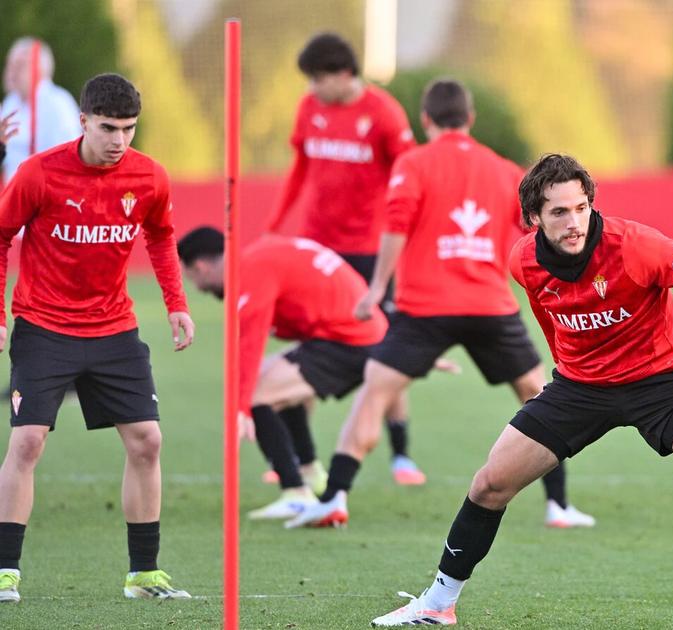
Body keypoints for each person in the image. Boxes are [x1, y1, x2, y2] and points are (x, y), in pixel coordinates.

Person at [367, 153, 673, 626]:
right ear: (534, 218)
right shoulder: (522, 261)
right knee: (489, 484)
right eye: (559, 212)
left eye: (581, 208)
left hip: (661, 380)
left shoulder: (637, 247)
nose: (574, 221)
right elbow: (550, 320)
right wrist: (566, 375)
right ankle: (438, 604)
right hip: (579, 387)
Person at [285, 79, 594, 531]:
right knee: (540, 396)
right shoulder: (504, 170)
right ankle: (558, 506)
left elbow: (395, 226)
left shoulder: (413, 163)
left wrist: (375, 289)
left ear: (425, 120)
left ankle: (334, 497)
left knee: (374, 395)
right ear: (470, 119)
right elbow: (534, 234)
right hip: (490, 305)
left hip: (423, 308)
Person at [0, 73, 195, 602]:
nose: (119, 141)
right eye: (108, 128)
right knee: (27, 442)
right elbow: (1, 235)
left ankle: (144, 575)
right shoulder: (39, 174)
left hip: (114, 329)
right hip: (43, 326)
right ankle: (5, 573)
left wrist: (176, 305)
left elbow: (160, 235)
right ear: (83, 121)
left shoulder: (149, 177)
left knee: (147, 441)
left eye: (129, 129)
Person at [264, 32, 420, 481]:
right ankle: (300, 454)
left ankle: (401, 454)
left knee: (384, 346)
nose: (312, 89)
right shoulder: (310, 109)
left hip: (371, 250)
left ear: (343, 75)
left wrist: (404, 236)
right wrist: (276, 227)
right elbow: (298, 172)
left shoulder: (384, 113)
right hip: (318, 247)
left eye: (317, 79)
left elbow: (407, 179)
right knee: (309, 340)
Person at [179, 227, 409, 519]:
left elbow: (249, 344)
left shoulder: (252, 270)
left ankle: (295, 493)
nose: (199, 289)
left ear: (200, 266)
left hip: (348, 342)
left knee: (258, 394)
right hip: (354, 336)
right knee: (273, 380)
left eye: (194, 279)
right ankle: (309, 472)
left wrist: (241, 407)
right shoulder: (263, 252)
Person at [1, 38, 81, 183]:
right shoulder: (11, 102)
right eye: (10, 64)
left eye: (20, 65)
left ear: (40, 69)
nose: (11, 72)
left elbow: (69, 161)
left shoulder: (59, 104)